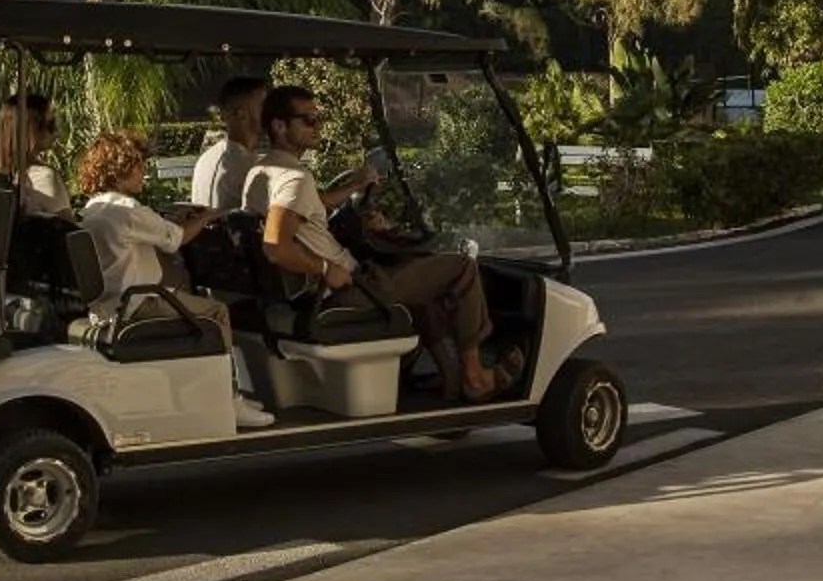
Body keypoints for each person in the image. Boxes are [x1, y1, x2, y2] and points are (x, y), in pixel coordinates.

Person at [245, 84, 504, 403]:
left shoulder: (265, 170)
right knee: (461, 268)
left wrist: (356, 186)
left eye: (319, 118)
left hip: (314, 292)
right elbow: (275, 246)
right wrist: (327, 268)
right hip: (345, 291)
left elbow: (312, 205)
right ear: (279, 126)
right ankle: (475, 375)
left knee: (423, 285)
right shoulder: (294, 180)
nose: (318, 126)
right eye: (308, 120)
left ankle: (452, 380)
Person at [75, 131, 270, 430]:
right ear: (120, 169)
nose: (144, 172)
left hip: (108, 306)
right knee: (216, 312)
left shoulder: (93, 209)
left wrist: (179, 219)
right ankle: (230, 399)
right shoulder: (128, 210)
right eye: (138, 165)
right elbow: (177, 240)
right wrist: (206, 217)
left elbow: (157, 232)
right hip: (140, 303)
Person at [188, 75, 269, 219]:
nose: (270, 113)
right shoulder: (248, 166)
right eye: (263, 105)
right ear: (240, 113)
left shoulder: (207, 158)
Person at [0, 93, 68, 214]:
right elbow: (70, 229)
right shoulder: (44, 177)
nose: (56, 132)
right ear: (31, 130)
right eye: (51, 125)